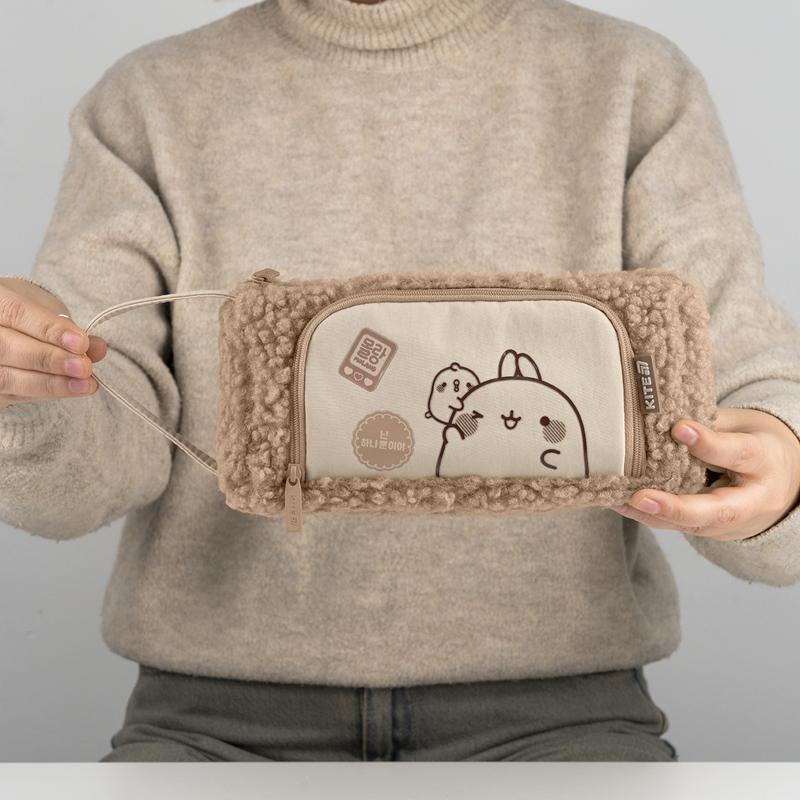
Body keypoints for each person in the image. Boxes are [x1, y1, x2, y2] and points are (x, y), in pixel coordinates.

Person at [1, 0, 799, 762]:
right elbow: (85, 474)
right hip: (211, 723)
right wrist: (25, 396)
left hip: (562, 717)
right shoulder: (146, 101)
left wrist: (778, 467)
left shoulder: (633, 82)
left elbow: (747, 381)